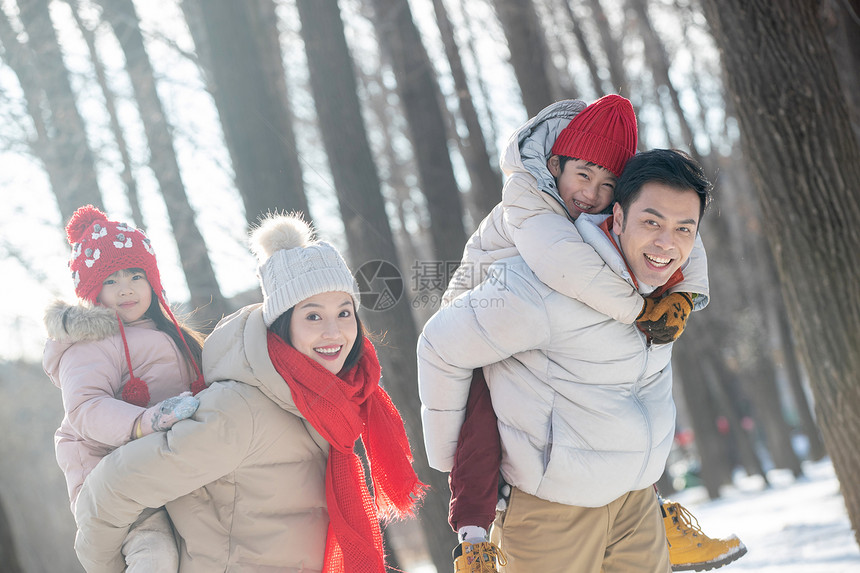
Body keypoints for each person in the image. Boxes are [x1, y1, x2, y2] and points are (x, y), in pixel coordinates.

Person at [434, 96, 743, 571]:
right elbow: (560, 267)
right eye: (582, 175)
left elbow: (680, 230)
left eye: (607, 183)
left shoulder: (625, 240)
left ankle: (659, 512)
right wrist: (634, 309)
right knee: (480, 418)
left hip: (629, 501)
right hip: (482, 310)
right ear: (554, 165)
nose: (591, 193)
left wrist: (686, 296)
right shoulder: (533, 210)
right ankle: (473, 534)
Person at [72, 212, 426, 573]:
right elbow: (108, 493)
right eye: (313, 317)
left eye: (345, 312)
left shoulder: (333, 403)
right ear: (283, 323)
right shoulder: (240, 411)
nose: (334, 332)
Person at [43, 205, 205, 572]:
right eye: (111, 280)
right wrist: (145, 421)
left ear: (153, 280)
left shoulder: (172, 334)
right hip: (110, 479)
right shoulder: (89, 344)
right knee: (156, 554)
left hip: (163, 464)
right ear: (91, 290)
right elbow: (85, 408)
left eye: (135, 275)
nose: (126, 289)